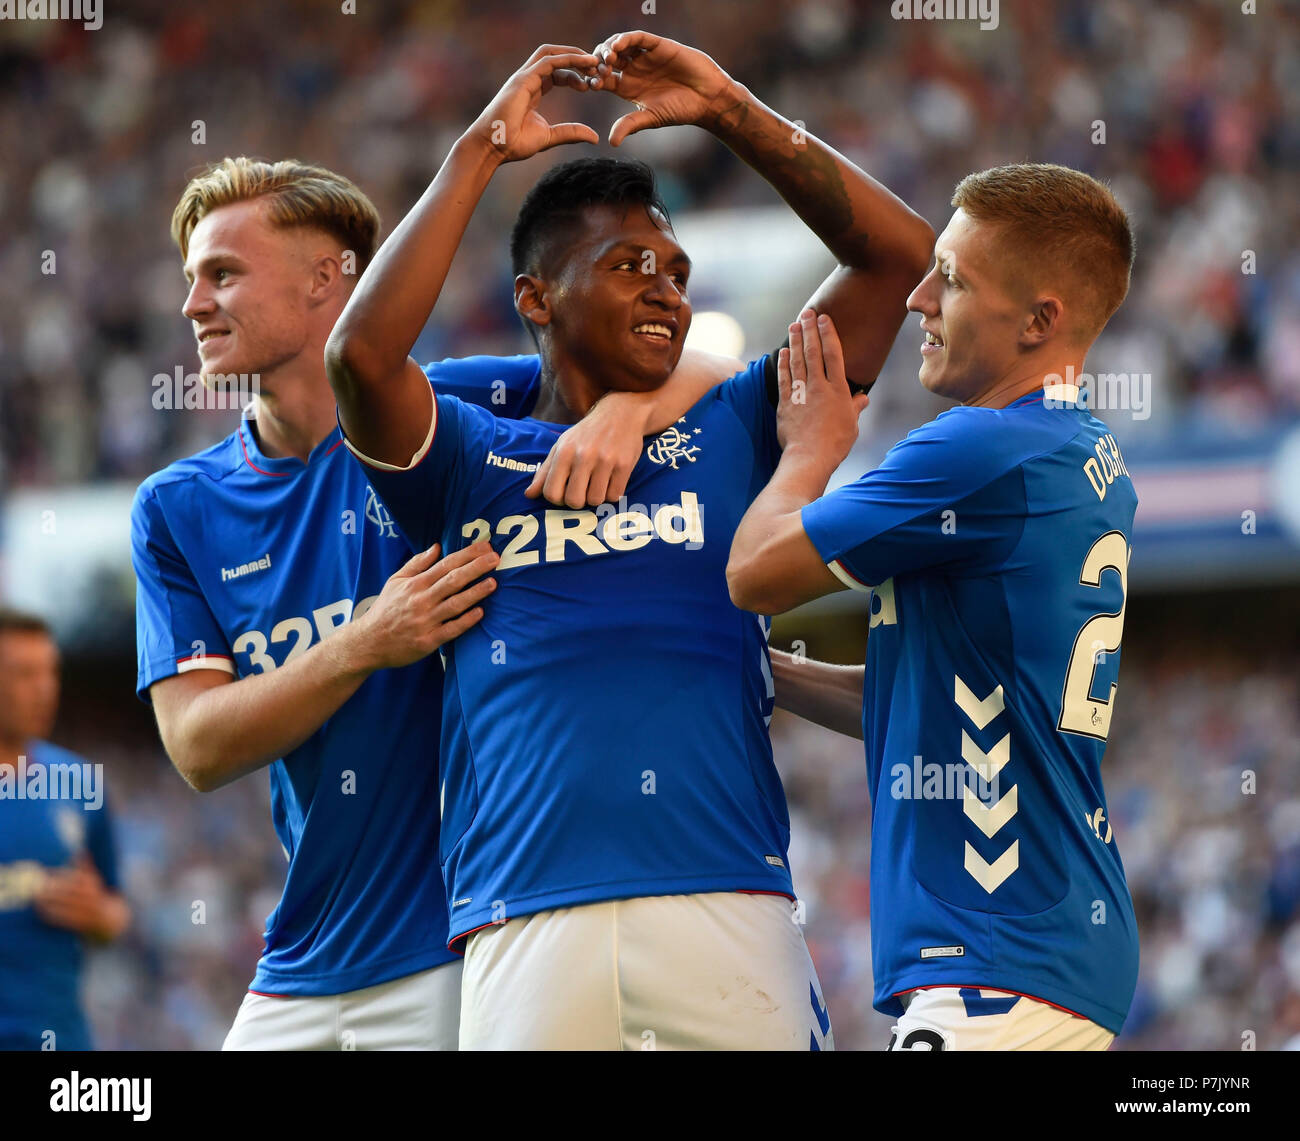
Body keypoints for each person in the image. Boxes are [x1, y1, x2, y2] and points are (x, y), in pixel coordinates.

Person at [326, 31, 932, 1049]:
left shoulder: (739, 422)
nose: (666, 288)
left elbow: (900, 260)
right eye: (626, 266)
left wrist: (734, 109)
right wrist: (480, 149)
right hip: (524, 918)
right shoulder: (471, 453)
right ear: (534, 299)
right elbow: (361, 354)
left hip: (728, 898)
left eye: (676, 270)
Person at [131, 156, 714, 1049]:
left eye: (224, 274)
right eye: (192, 280)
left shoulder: (454, 409)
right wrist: (366, 641)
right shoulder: (178, 506)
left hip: (466, 945)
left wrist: (624, 416)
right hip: (302, 959)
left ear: (330, 277)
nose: (195, 304)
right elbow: (199, 747)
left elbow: (709, 369)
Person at [728, 163, 1141, 1050]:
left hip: (998, 954)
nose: (918, 297)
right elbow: (938, 694)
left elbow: (756, 572)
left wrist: (810, 449)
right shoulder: (1085, 447)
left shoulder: (978, 450)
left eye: (950, 278)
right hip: (1053, 949)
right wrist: (775, 673)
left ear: (1040, 321)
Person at [0, 608, 131, 1050]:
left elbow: (116, 909)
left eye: (50, 672)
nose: (44, 690)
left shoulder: (78, 782)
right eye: (22, 674)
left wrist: (97, 917)